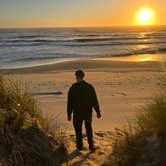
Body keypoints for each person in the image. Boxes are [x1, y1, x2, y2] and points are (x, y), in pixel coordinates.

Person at [67, 69, 101, 151]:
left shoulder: (73, 88)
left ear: (76, 77)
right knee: (88, 128)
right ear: (83, 76)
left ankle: (80, 146)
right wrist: (98, 112)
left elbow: (70, 103)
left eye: (76, 76)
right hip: (87, 112)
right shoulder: (89, 87)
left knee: (78, 130)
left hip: (77, 113)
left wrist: (69, 114)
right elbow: (94, 100)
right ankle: (91, 146)